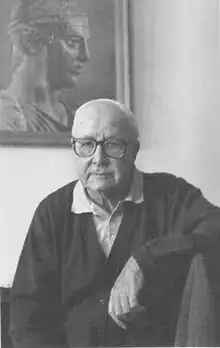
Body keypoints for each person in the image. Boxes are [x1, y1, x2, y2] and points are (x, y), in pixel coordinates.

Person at [9, 99, 220, 347]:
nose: (98, 158)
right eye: (86, 144)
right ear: (73, 148)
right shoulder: (52, 212)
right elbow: (28, 317)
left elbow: (215, 227)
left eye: (112, 144)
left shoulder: (171, 196)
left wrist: (145, 260)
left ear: (134, 150)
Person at [0, 0, 90, 132]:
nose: (86, 56)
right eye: (72, 43)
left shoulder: (75, 118)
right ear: (29, 41)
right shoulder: (6, 113)